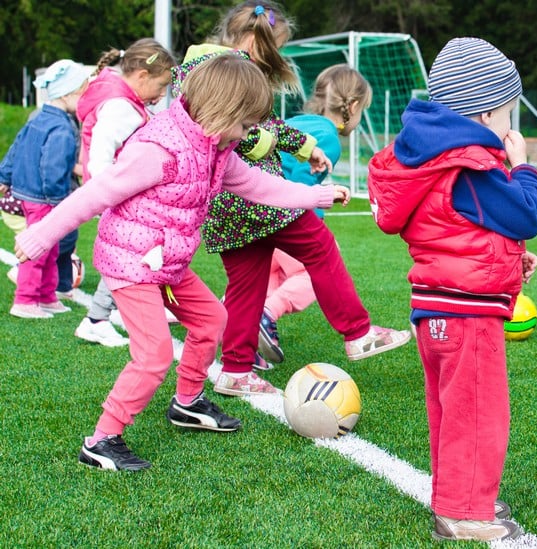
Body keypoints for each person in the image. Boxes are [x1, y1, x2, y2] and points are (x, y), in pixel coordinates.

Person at [13, 54, 351, 471]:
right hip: (131, 263)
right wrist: (40, 235)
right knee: (154, 354)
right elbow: (96, 193)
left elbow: (257, 185)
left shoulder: (216, 147)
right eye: (246, 125)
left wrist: (316, 195)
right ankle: (101, 440)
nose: (249, 135)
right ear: (222, 111)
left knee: (213, 320)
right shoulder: (158, 149)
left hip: (167, 263)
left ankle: (187, 403)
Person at [172, 1, 410, 394]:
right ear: (253, 40)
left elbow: (265, 123)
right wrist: (271, 146)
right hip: (254, 196)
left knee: (247, 283)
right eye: (274, 47)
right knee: (319, 247)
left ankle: (234, 370)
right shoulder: (225, 70)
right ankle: (358, 332)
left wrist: (305, 148)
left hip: (224, 205)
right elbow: (236, 131)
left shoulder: (202, 66)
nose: (275, 57)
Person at [367, 37, 537, 542]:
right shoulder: (470, 165)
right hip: (467, 316)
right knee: (477, 414)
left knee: (451, 412)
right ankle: (464, 512)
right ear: (486, 112)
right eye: (510, 113)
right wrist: (524, 167)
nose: (512, 126)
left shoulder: (432, 160)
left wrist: (510, 261)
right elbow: (525, 214)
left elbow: (458, 230)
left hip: (437, 308)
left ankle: (458, 495)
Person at [256, 64, 373, 366]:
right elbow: (300, 184)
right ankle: (267, 315)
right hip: (284, 215)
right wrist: (315, 216)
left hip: (255, 212)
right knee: (313, 272)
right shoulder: (329, 139)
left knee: (268, 275)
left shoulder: (296, 122)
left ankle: (240, 324)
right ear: (354, 106)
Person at [73, 38, 176, 347]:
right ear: (142, 76)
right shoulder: (121, 108)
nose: (161, 97)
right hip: (119, 196)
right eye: (160, 86)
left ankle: (106, 314)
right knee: (130, 255)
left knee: (137, 252)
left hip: (119, 194)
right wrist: (111, 193)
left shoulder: (123, 100)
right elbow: (101, 155)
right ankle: (96, 318)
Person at [1, 59, 90, 319]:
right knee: (39, 250)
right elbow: (53, 166)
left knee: (51, 248)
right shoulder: (62, 127)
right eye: (83, 93)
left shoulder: (39, 118)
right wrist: (58, 201)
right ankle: (25, 300)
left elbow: (15, 147)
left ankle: (46, 296)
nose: (84, 100)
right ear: (69, 94)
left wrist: (4, 175)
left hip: (33, 194)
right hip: (45, 198)